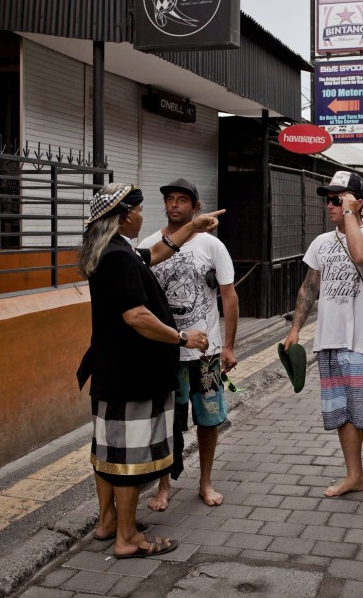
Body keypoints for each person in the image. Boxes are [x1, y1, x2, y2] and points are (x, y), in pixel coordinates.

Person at [75, 182, 223, 558]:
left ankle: (108, 522)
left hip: (112, 372)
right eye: (138, 211)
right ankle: (127, 538)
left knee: (108, 453)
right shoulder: (119, 258)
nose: (144, 216)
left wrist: (193, 227)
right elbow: (137, 316)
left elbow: (155, 253)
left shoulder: (112, 251)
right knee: (129, 458)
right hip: (132, 375)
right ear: (126, 216)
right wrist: (181, 338)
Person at [282, 171, 363, 505]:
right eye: (327, 199)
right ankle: (354, 476)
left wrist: (348, 215)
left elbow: (361, 256)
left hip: (361, 343)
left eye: (336, 198)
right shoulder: (321, 243)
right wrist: (296, 329)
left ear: (355, 201)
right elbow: (309, 287)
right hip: (328, 341)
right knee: (341, 414)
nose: (329, 205)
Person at [139, 178, 238, 510]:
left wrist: (228, 346)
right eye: (170, 199)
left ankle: (205, 482)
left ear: (196, 207)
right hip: (165, 352)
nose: (175, 205)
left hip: (205, 356)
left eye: (183, 200)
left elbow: (229, 295)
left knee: (208, 419)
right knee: (167, 420)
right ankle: (164, 486)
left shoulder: (212, 246)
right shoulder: (151, 244)